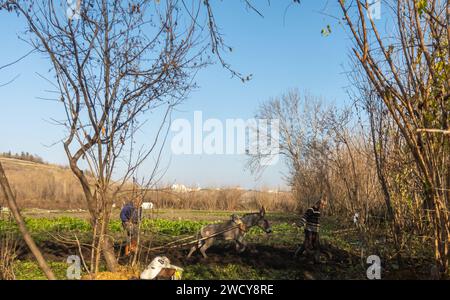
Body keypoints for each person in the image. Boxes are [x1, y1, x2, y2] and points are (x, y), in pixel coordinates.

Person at [294, 196, 327, 262]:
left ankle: (316, 259)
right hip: (309, 230)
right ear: (319, 204)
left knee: (316, 244)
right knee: (308, 244)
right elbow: (305, 217)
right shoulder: (311, 209)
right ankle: (300, 256)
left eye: (324, 206)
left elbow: (317, 221)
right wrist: (300, 224)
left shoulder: (319, 212)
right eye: (323, 205)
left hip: (315, 231)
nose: (323, 207)